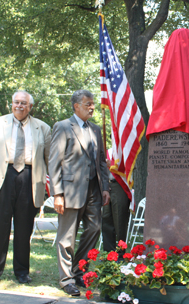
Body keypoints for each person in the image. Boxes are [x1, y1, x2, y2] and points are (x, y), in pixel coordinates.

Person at [0, 90, 51, 288]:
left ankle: (22, 272)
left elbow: (49, 159)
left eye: (23, 103)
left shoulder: (42, 128)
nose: (19, 105)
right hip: (2, 178)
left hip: (29, 178)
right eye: (16, 102)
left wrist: (54, 188)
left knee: (24, 228)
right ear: (12, 104)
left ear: (30, 107)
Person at [48, 90, 110, 296]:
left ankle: (79, 271)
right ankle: (66, 280)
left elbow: (102, 160)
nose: (92, 107)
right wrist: (57, 193)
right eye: (88, 104)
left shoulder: (95, 129)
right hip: (70, 191)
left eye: (93, 104)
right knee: (66, 237)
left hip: (94, 190)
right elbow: (54, 162)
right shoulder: (63, 127)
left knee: (95, 228)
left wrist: (106, 188)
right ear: (76, 106)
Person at [102, 149, 131, 254]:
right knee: (106, 218)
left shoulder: (125, 150)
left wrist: (112, 164)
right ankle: (109, 252)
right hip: (106, 186)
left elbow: (131, 167)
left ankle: (120, 252)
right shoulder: (107, 152)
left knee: (120, 219)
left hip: (119, 186)